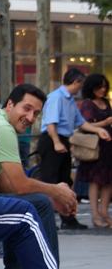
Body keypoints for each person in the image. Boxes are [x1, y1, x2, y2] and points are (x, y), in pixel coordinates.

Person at [0, 84, 84, 269]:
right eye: (26, 109)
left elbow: (7, 188)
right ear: (10, 104)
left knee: (20, 203)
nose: (30, 117)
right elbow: (20, 185)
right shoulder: (3, 128)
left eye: (36, 113)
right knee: (39, 203)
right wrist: (56, 191)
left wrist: (52, 193)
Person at [39, 68, 111, 229]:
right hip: (52, 140)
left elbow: (81, 122)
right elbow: (50, 123)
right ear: (75, 82)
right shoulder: (56, 97)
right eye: (81, 84)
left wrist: (98, 130)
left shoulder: (70, 100)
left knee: (65, 180)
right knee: (50, 181)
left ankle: (68, 220)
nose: (81, 87)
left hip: (63, 140)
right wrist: (56, 142)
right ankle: (46, 220)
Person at [75, 74, 112, 227]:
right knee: (95, 180)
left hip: (108, 146)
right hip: (94, 146)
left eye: (104, 87)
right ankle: (95, 213)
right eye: (99, 86)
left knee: (108, 180)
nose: (102, 90)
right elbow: (85, 125)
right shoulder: (88, 104)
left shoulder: (106, 102)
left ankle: (104, 212)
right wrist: (105, 122)